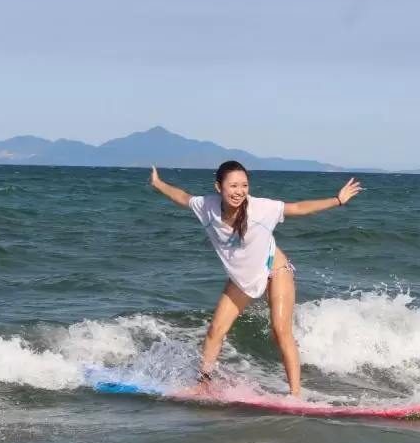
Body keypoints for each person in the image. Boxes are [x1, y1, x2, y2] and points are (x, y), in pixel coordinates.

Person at [150, 161, 362, 398]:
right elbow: (181, 197)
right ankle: (203, 384)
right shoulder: (206, 207)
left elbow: (298, 208)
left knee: (280, 331)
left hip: (275, 269)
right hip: (242, 278)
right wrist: (157, 183)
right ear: (218, 187)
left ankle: (295, 395)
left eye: (244, 185)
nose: (239, 191)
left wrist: (338, 200)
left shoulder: (260, 209)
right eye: (233, 186)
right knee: (215, 331)